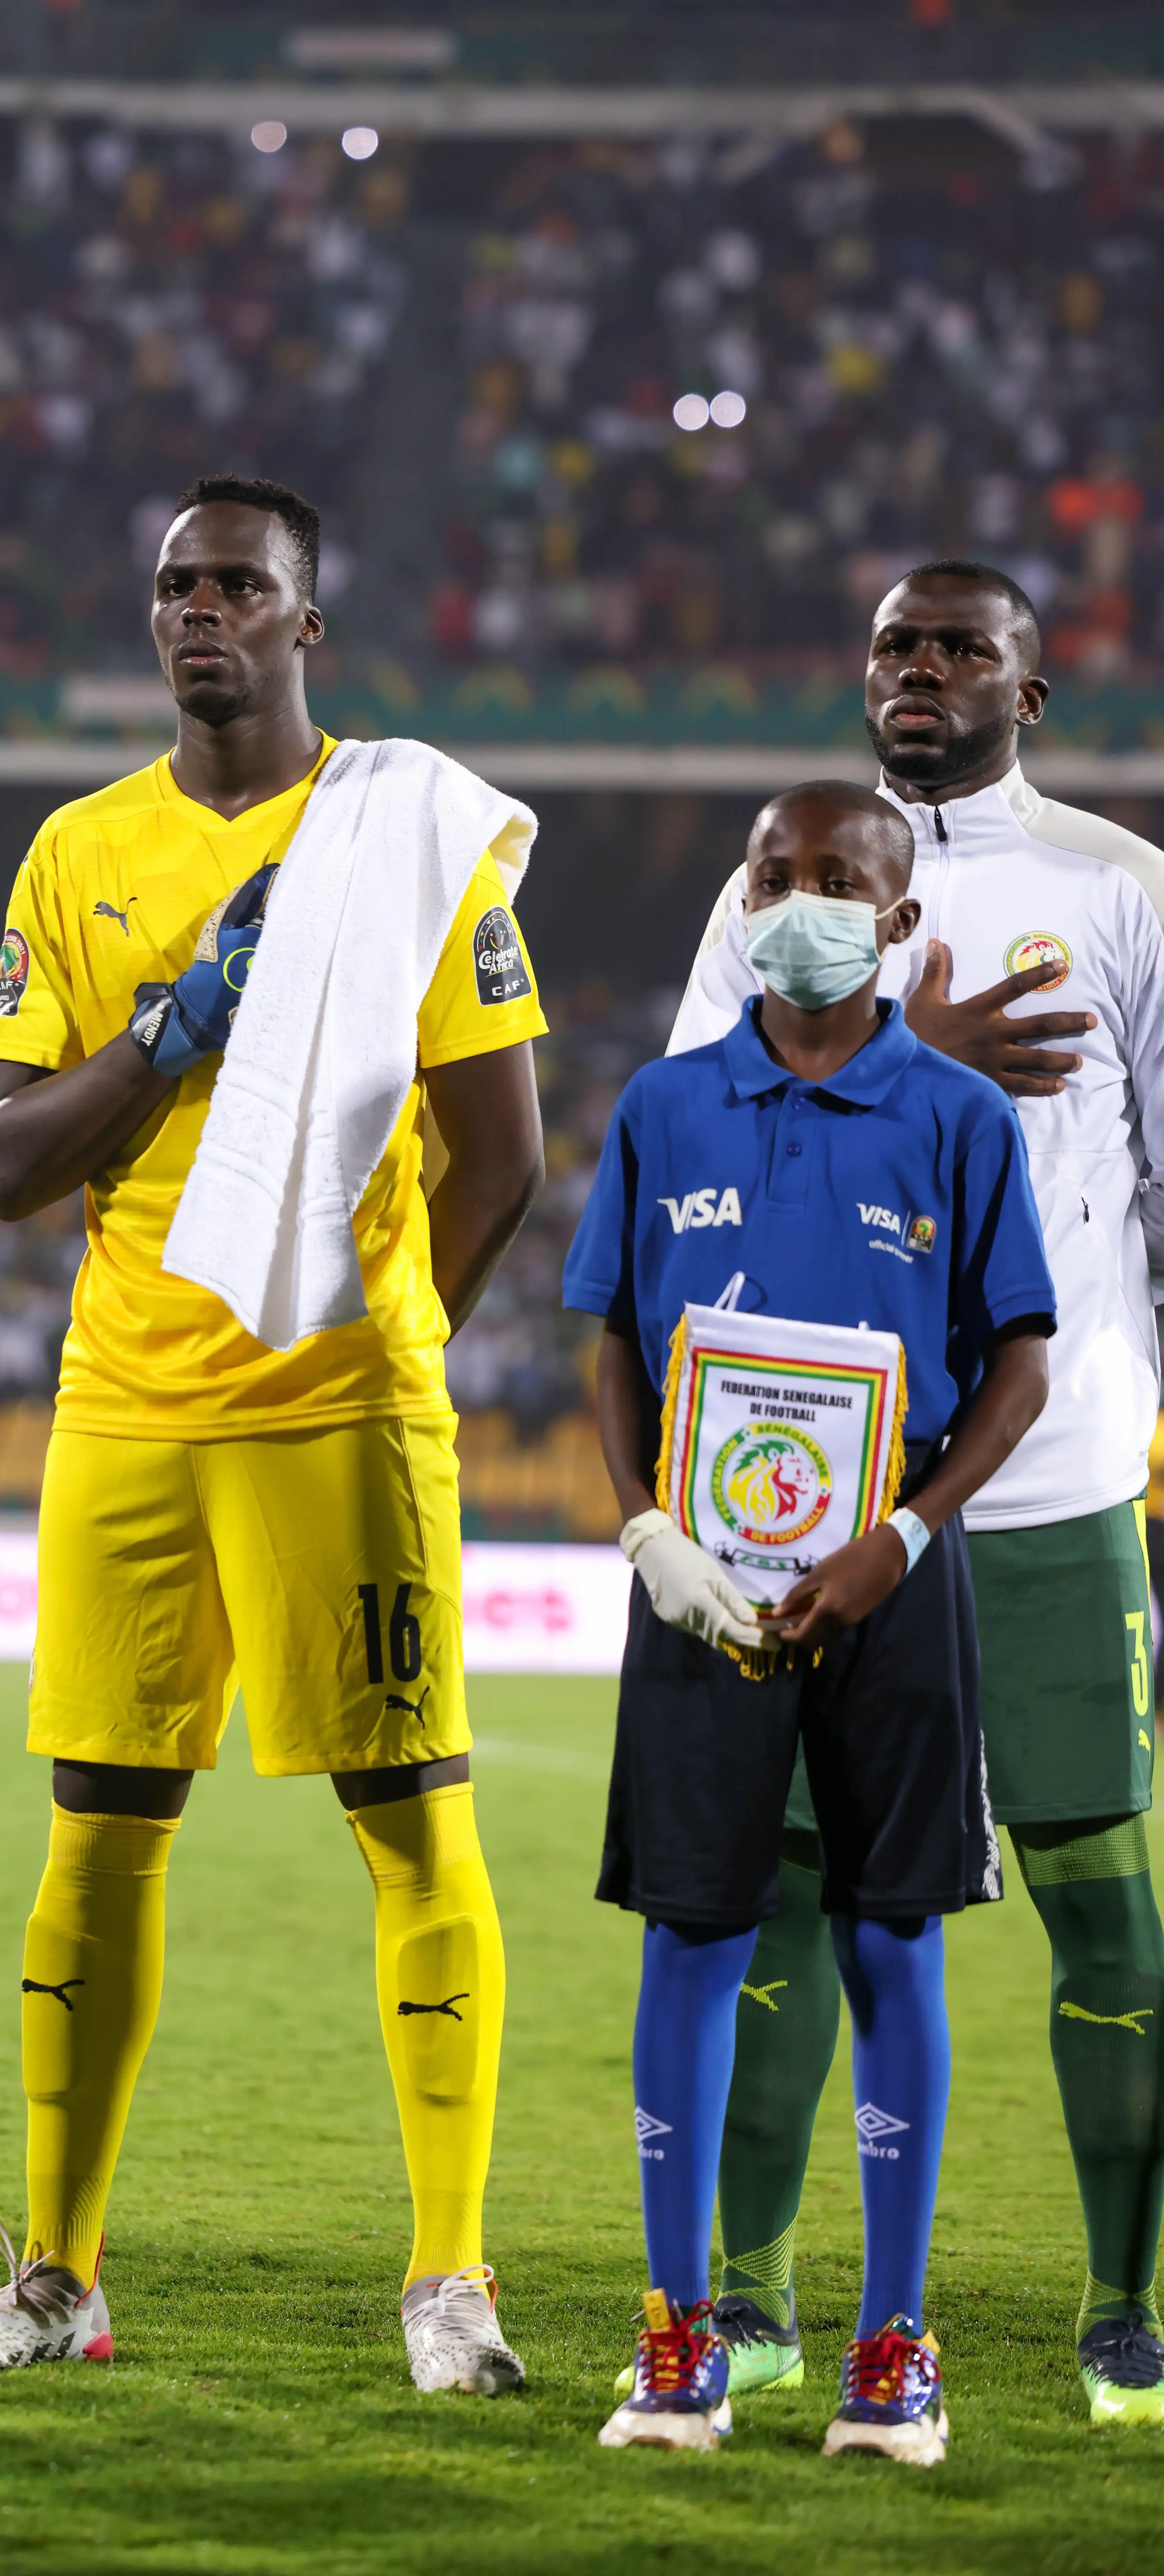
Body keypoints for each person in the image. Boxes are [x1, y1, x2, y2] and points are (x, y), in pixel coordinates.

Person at [0, 473, 547, 2393]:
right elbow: (4, 1161)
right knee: (100, 1825)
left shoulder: (404, 842)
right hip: (127, 1405)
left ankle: (451, 2282)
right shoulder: (78, 851)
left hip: (336, 1406)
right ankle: (58, 2280)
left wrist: (383, 1350)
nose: (201, 610)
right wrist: (171, 1029)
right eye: (176, 582)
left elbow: (496, 1158)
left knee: (410, 1820)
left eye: (240, 583)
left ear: (306, 624)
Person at [673, 560, 1164, 2426]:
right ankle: (759, 2299)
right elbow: (684, 1140)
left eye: (965, 646)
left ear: (1032, 689)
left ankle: (1125, 2314)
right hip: (816, 1493)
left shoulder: (1119, 891)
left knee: (1100, 1897)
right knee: (787, 1897)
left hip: (1049, 1485)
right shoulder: (774, 895)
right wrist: (908, 1066)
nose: (923, 669)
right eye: (896, 643)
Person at [567, 780, 1053, 2461]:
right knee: (691, 1933)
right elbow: (617, 1339)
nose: (802, 896)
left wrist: (907, 1536)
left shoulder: (963, 1117)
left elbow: (1020, 1363)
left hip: (892, 1590)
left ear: (902, 924)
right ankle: (678, 2338)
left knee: (890, 1936)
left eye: (840, 876)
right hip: (701, 1591)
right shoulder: (663, 1103)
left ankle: (890, 2348)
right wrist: (642, 1523)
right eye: (776, 870)